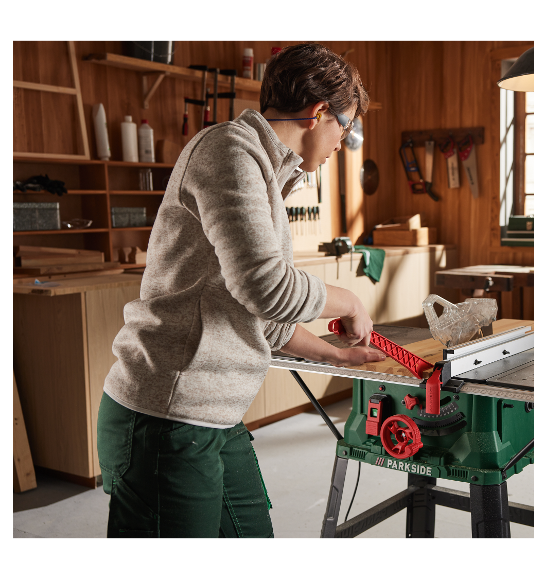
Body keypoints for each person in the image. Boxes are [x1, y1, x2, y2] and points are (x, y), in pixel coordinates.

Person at [96, 43, 385, 539]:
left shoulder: (267, 173)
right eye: (346, 126)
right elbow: (266, 287)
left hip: (215, 418)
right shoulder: (229, 149)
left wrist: (336, 357)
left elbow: (263, 317)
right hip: (165, 416)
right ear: (319, 113)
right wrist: (350, 300)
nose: (343, 142)